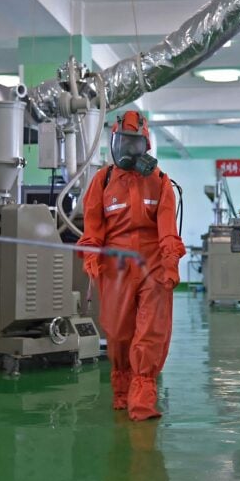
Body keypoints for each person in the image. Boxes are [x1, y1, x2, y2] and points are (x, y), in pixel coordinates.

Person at [79, 110, 185, 421]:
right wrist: (91, 257)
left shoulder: (161, 182)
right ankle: (122, 391)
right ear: (113, 143)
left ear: (146, 145)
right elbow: (93, 229)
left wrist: (170, 264)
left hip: (153, 266)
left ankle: (143, 399)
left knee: (151, 332)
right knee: (118, 333)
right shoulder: (103, 181)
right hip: (116, 268)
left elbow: (168, 230)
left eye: (134, 144)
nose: (128, 150)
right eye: (123, 143)